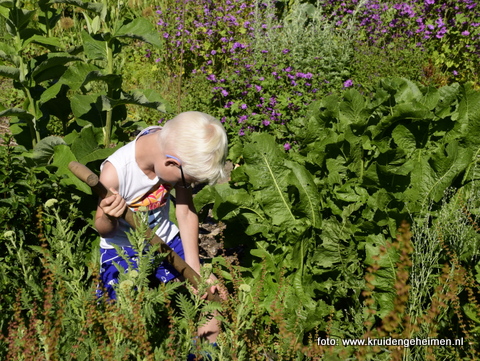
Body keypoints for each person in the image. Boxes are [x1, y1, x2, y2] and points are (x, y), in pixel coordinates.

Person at [94, 111, 228, 343]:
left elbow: (185, 213)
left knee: (212, 294)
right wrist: (110, 215)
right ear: (171, 163)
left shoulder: (172, 145)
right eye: (189, 182)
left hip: (166, 239)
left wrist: (195, 271)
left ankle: (204, 354)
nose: (188, 186)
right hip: (123, 248)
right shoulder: (115, 172)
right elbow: (103, 229)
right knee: (122, 316)